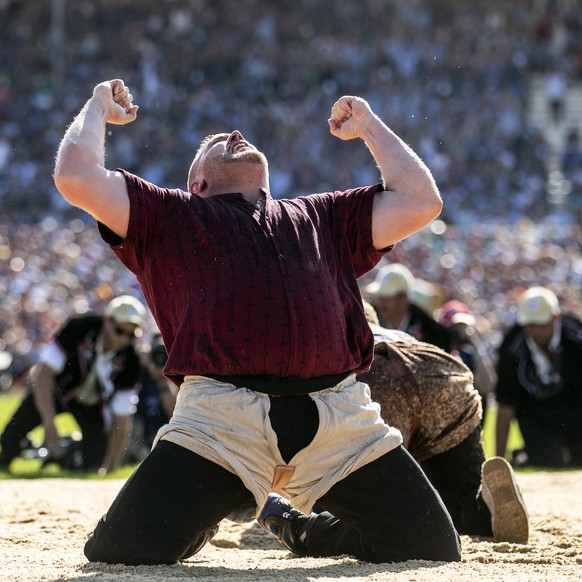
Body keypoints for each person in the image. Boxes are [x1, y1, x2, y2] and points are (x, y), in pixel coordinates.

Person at [53, 78, 461, 565]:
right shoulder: (172, 214)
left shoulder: (320, 215)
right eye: (214, 145)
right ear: (197, 183)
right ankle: (203, 518)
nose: (236, 132)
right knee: (117, 551)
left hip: (339, 414)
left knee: (431, 545)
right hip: (222, 419)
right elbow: (76, 176)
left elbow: (422, 202)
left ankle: (304, 532)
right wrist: (98, 106)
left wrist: (371, 127)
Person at [258, 302, 529, 547]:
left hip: (376, 377)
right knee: (453, 500)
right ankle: (484, 507)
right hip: (440, 374)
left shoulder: (329, 336)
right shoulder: (397, 334)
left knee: (359, 505)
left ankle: (309, 528)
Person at [0, 295, 145, 474]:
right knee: (9, 440)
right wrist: (49, 423)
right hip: (55, 391)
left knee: (93, 463)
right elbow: (43, 374)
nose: (124, 339)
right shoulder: (79, 328)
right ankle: (25, 450)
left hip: (90, 404)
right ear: (107, 321)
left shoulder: (131, 360)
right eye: (120, 331)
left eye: (132, 335)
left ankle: (64, 455)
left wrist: (110, 468)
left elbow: (122, 418)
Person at [495, 286, 582, 468]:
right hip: (535, 415)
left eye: (541, 323)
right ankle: (525, 455)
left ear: (556, 317)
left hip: (576, 410)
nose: (535, 331)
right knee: (551, 462)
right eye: (530, 324)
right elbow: (505, 404)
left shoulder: (577, 336)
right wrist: (499, 463)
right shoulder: (511, 347)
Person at [364, 263, 451, 351]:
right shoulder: (368, 322)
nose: (381, 303)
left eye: (387, 298)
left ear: (403, 299)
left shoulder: (429, 330)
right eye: (379, 297)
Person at [438, 300, 496, 423]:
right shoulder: (438, 353)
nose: (461, 332)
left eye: (464, 328)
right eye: (456, 328)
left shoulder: (470, 354)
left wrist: (475, 344)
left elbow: (487, 385)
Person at [125, 333, 177, 463]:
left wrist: (162, 381)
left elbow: (173, 414)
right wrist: (145, 364)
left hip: (159, 436)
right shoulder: (137, 368)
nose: (159, 357)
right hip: (136, 434)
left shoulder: (173, 375)